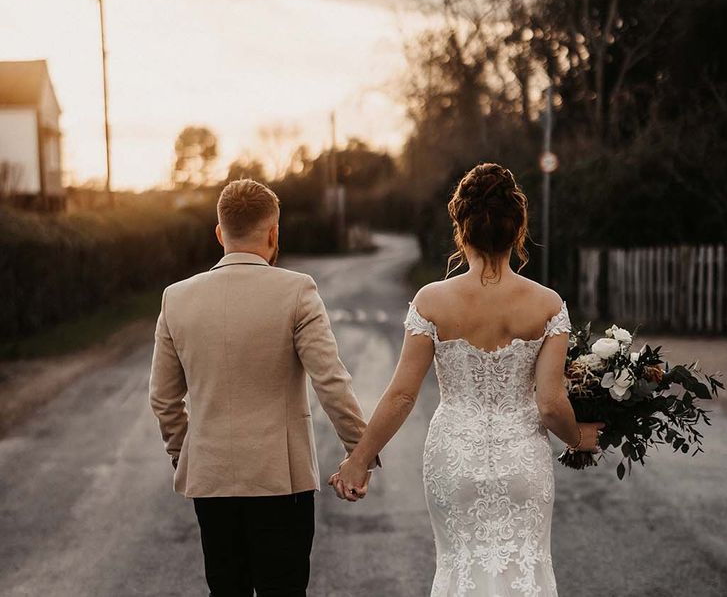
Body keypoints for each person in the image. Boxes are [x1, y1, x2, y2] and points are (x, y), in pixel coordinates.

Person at [330, 162, 603, 596]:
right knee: (524, 572)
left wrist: (359, 459)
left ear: (461, 227)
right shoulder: (548, 305)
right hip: (522, 462)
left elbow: (402, 394)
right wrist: (582, 439)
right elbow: (551, 405)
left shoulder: (431, 300)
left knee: (460, 570)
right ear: (518, 230)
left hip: (453, 457)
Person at [149, 179, 377, 597]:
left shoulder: (175, 299)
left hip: (212, 481)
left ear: (220, 233)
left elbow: (163, 399)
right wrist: (358, 452)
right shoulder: (297, 291)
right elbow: (330, 380)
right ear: (273, 232)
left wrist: (187, 455)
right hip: (280, 484)